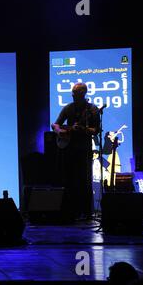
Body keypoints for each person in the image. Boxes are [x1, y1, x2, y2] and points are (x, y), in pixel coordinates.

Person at [51, 82, 100, 219]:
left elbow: (96, 130)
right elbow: (55, 124)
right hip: (68, 149)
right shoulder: (68, 108)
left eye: (75, 93)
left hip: (84, 150)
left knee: (84, 180)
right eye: (72, 92)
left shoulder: (92, 109)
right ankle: (71, 211)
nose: (72, 95)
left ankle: (86, 212)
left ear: (83, 94)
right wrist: (60, 131)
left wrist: (83, 129)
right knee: (69, 180)